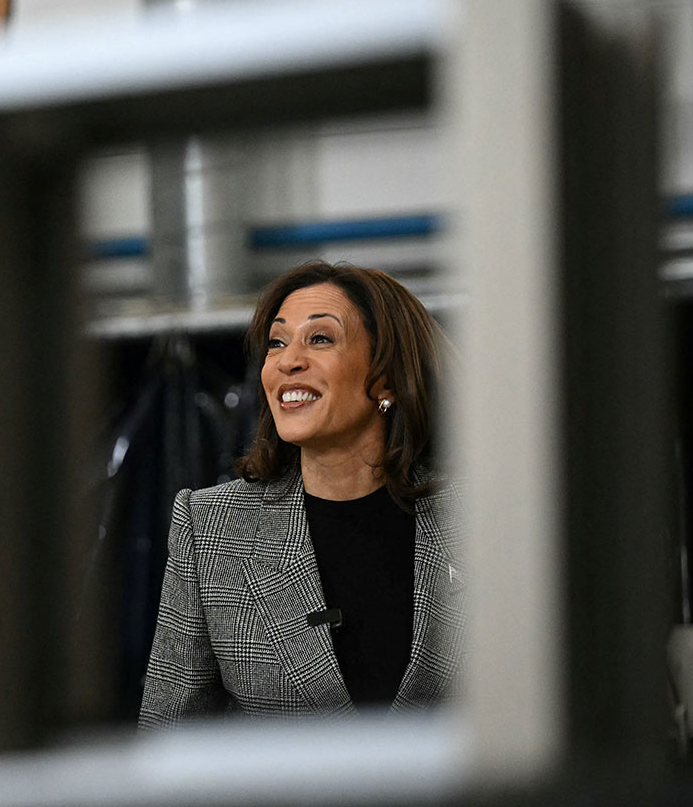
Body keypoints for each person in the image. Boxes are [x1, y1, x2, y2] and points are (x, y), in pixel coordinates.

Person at [138, 261, 462, 723]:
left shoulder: (481, 518)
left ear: (386, 377)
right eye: (276, 342)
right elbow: (166, 738)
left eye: (321, 338)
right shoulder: (210, 527)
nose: (288, 361)